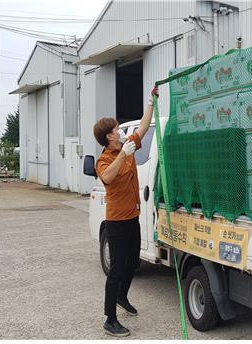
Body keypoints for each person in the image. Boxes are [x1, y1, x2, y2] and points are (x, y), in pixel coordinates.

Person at [92, 86, 159, 337]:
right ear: (108, 137)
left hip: (133, 217)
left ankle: (122, 297)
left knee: (133, 263)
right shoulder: (104, 159)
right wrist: (123, 155)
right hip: (116, 223)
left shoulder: (127, 144)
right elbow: (107, 177)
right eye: (117, 130)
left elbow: (142, 126)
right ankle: (110, 319)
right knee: (116, 269)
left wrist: (151, 103)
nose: (121, 131)